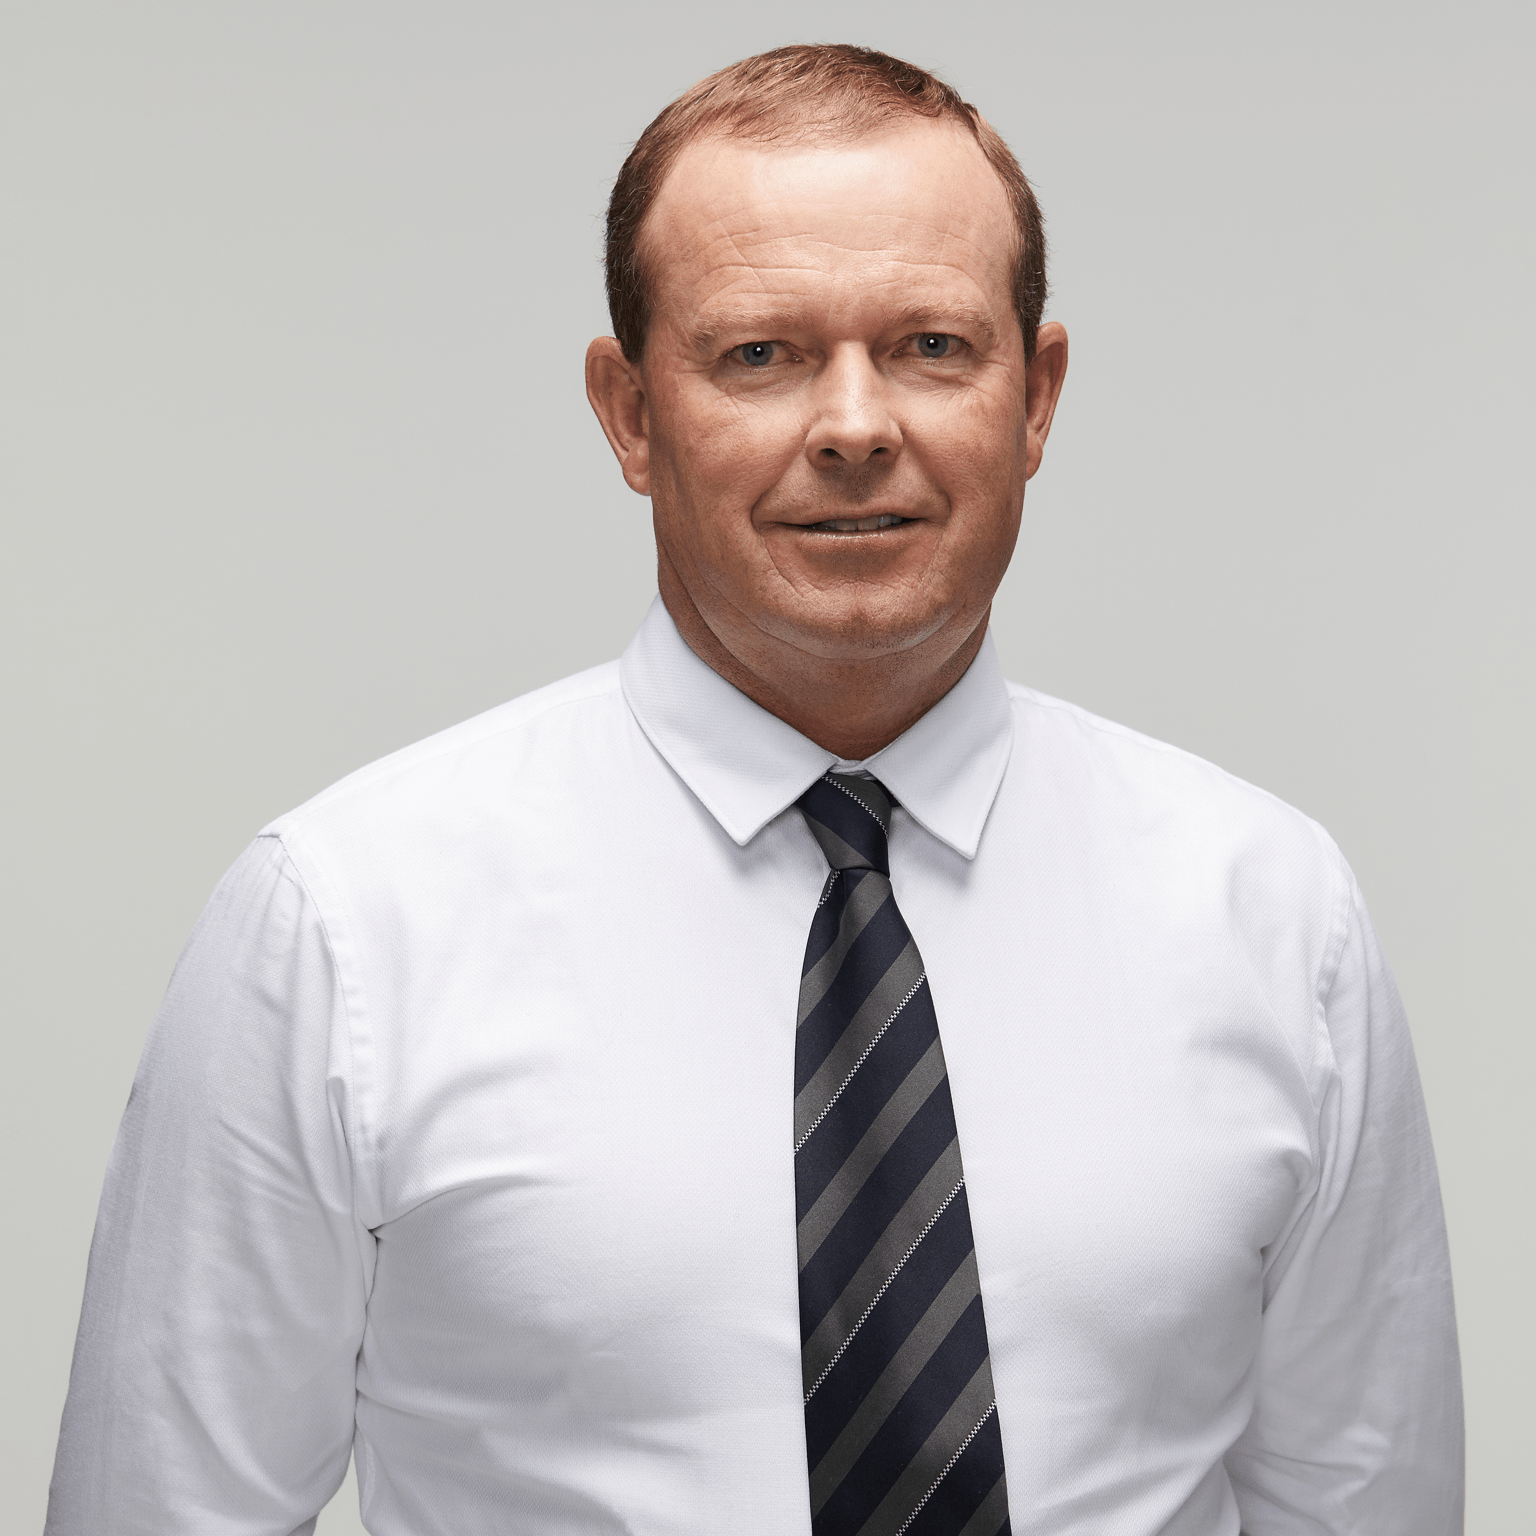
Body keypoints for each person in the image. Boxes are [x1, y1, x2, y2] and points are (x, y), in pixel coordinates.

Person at [46, 43, 1462, 1536]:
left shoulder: (1271, 910)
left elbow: (1366, 1508)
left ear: (1035, 398)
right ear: (631, 414)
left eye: (931, 345)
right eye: (760, 356)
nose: (856, 427)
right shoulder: (342, 927)